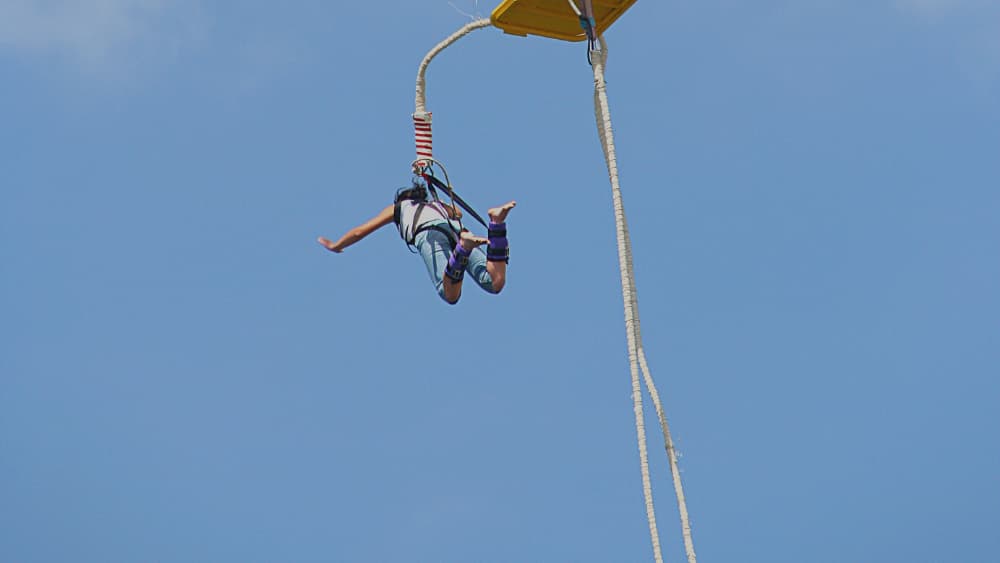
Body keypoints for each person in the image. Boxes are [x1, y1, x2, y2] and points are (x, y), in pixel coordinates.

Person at [318, 181, 516, 304]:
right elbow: (458, 213)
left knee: (449, 293)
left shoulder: (399, 207)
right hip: (458, 230)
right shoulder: (436, 205)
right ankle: (496, 223)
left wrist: (338, 245)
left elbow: (361, 230)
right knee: (494, 282)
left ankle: (463, 249)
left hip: (430, 235)